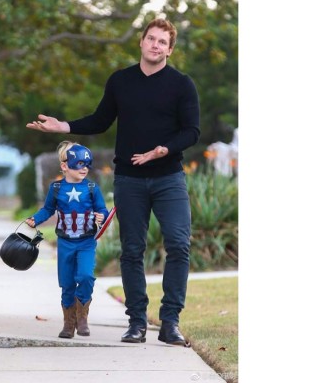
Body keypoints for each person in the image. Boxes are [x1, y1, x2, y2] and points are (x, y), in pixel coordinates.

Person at [26, 18, 200, 346]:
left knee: (178, 245)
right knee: (132, 250)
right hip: (129, 181)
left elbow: (192, 131)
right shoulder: (121, 81)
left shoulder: (181, 84)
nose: (156, 45)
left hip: (168, 179)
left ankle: (170, 322)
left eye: (163, 42)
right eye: (151, 38)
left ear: (170, 50)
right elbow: (100, 120)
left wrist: (162, 150)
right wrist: (63, 126)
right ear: (142, 42)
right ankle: (136, 322)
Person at [25, 141, 109, 339]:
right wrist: (35, 219)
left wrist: (101, 216)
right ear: (65, 166)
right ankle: (68, 323)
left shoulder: (92, 188)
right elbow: (48, 209)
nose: (84, 168)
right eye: (79, 164)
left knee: (86, 276)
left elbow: (102, 210)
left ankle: (82, 316)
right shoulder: (56, 188)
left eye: (87, 164)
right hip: (64, 243)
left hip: (86, 242)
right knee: (67, 283)